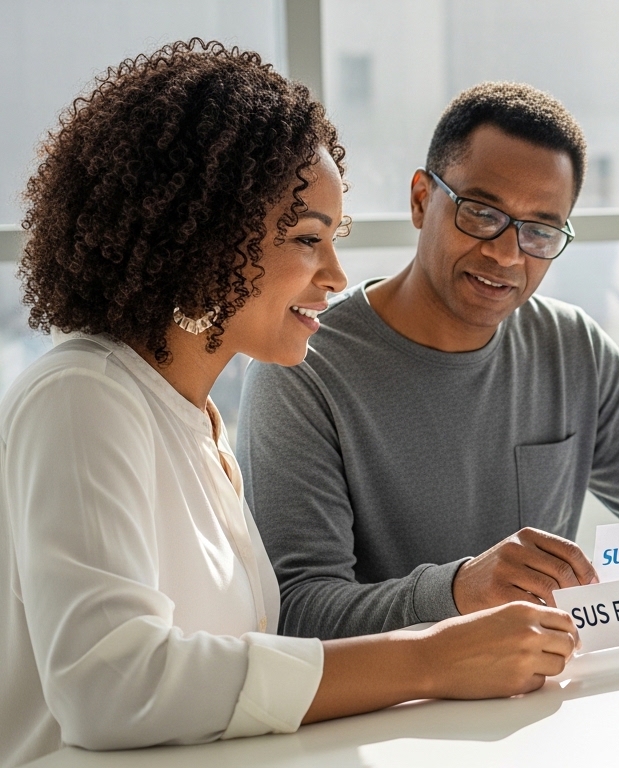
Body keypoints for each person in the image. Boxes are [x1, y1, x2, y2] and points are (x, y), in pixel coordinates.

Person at [0, 41, 579, 768]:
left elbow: (230, 682)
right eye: (308, 239)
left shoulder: (196, 423)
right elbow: (111, 687)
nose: (335, 273)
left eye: (333, 239)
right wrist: (432, 658)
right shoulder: (82, 397)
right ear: (205, 235)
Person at [236, 82, 619, 640]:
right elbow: (298, 610)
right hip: (386, 720)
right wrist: (459, 592)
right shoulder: (303, 364)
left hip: (541, 697)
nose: (508, 254)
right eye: (482, 213)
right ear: (423, 200)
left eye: (540, 230)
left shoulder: (571, 346)